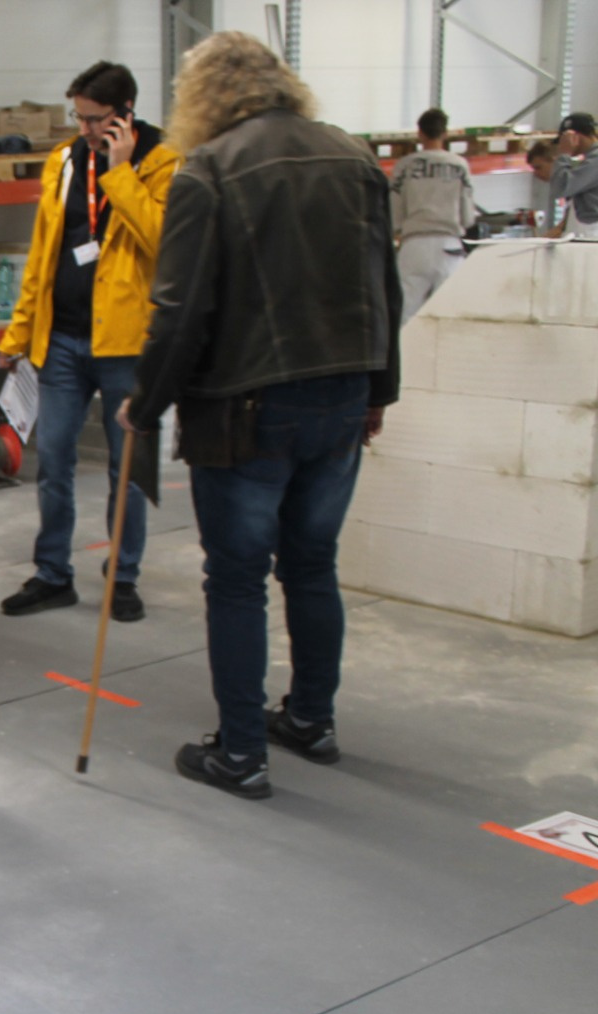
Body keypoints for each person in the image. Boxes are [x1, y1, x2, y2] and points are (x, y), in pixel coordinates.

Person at [122, 32, 402, 800]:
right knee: (312, 563)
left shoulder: (208, 169)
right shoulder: (352, 157)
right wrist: (380, 391)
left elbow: (179, 309)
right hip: (341, 394)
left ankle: (242, 752)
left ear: (202, 94)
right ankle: (311, 718)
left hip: (244, 409)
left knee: (237, 580)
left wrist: (146, 403)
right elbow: (384, 284)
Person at [0, 61, 179, 623]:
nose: (85, 129)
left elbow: (164, 241)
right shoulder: (65, 161)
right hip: (64, 341)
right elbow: (43, 254)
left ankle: (123, 575)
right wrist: (19, 331)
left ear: (125, 115)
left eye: (95, 119)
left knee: (128, 471)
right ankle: (53, 573)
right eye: (79, 117)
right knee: (53, 460)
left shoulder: (163, 163)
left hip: (127, 344)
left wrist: (121, 174)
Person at [392, 108, 476, 321]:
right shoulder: (460, 166)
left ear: (420, 133)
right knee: (449, 315)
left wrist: (398, 229)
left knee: (405, 313)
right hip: (449, 247)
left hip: (414, 246)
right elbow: (468, 216)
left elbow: (394, 211)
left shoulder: (405, 166)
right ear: (445, 134)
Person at [549, 112, 598, 237]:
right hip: (589, 233)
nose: (561, 145)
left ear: (574, 137)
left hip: (589, 234)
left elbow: (560, 187)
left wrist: (564, 154)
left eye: (563, 140)